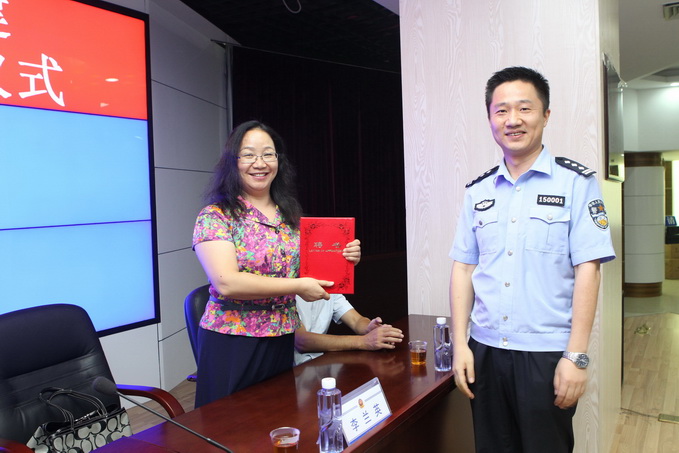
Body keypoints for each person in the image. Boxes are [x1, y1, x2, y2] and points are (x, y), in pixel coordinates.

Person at [448, 66, 616, 453]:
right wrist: (460, 345)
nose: (513, 120)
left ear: (546, 115)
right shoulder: (477, 191)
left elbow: (588, 270)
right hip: (485, 350)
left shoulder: (576, 183)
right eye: (501, 110)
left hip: (546, 354)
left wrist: (576, 356)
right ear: (490, 118)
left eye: (524, 108)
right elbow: (464, 267)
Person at [192, 120, 361, 407]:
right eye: (248, 154)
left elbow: (311, 270)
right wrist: (296, 285)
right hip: (233, 339)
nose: (260, 163)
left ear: (279, 161)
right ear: (233, 161)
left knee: (276, 420)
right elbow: (226, 282)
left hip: (282, 336)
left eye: (268, 154)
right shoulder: (216, 215)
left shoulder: (290, 216)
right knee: (228, 424)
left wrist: (344, 258)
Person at [293, 294, 404, 365]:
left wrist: (370, 328)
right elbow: (302, 341)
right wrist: (364, 341)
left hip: (320, 363)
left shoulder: (330, 288)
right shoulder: (289, 289)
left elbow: (356, 321)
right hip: (293, 370)